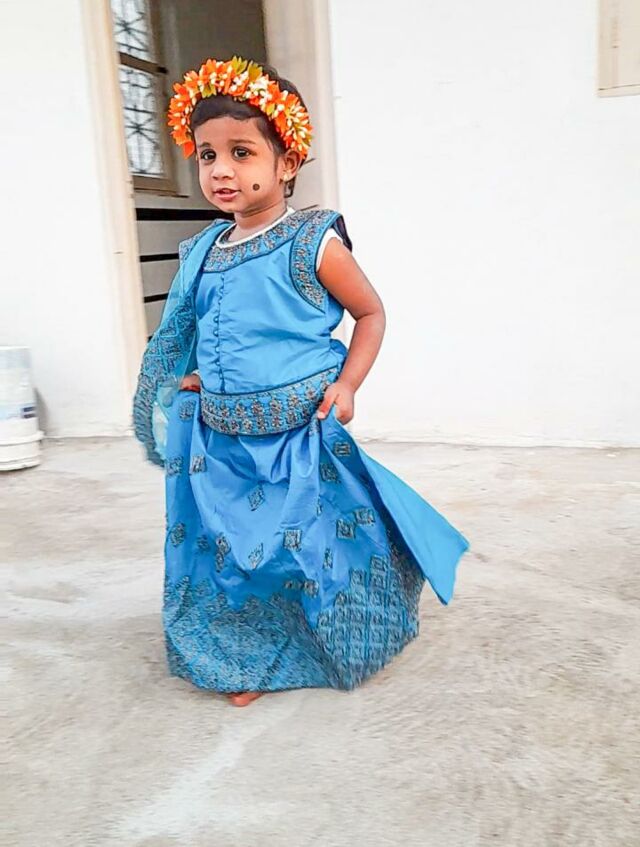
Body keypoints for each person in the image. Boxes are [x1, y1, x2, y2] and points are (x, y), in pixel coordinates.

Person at [133, 56, 469, 707]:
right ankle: (244, 654)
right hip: (223, 439)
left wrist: (348, 385)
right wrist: (200, 374)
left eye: (241, 152)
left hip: (297, 435)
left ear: (286, 162)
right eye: (207, 155)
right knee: (232, 552)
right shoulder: (204, 251)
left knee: (303, 552)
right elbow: (211, 326)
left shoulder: (311, 242)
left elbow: (370, 313)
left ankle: (329, 636)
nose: (221, 170)